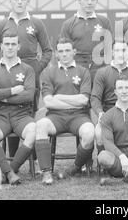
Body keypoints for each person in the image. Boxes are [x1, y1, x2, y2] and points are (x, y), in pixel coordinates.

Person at [0, 0, 52, 158]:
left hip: (30, 78)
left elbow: (48, 50)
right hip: (7, 79)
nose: (19, 2)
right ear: (10, 1)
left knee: (28, 119)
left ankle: (30, 160)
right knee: (8, 114)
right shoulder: (2, 24)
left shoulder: (37, 23)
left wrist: (36, 69)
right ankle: (14, 160)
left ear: (28, 1)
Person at [34, 38, 94, 185]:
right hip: (56, 117)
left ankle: (76, 167)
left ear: (74, 52)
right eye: (61, 51)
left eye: (67, 50)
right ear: (56, 54)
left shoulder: (83, 71)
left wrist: (59, 97)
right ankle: (46, 172)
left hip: (79, 116)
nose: (64, 54)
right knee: (41, 125)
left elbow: (84, 101)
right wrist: (73, 100)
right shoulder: (49, 72)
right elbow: (48, 102)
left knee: (89, 132)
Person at [0, 33, 36, 185]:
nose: (10, 47)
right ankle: (10, 173)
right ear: (1, 47)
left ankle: (9, 171)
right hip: (1, 114)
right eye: (7, 44)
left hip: (21, 114)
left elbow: (28, 95)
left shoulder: (28, 69)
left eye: (13, 44)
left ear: (19, 46)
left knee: (33, 131)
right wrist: (12, 91)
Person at [91, 40, 128, 154]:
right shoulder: (102, 72)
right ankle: (105, 163)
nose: (120, 54)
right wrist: (100, 113)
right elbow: (95, 98)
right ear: (112, 53)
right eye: (117, 50)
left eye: (123, 50)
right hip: (110, 113)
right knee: (98, 133)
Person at [59, 0, 113, 80]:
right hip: (77, 68)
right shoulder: (68, 24)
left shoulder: (104, 21)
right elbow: (63, 50)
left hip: (100, 68)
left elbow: (110, 47)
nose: (89, 2)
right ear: (79, 0)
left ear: (96, 1)